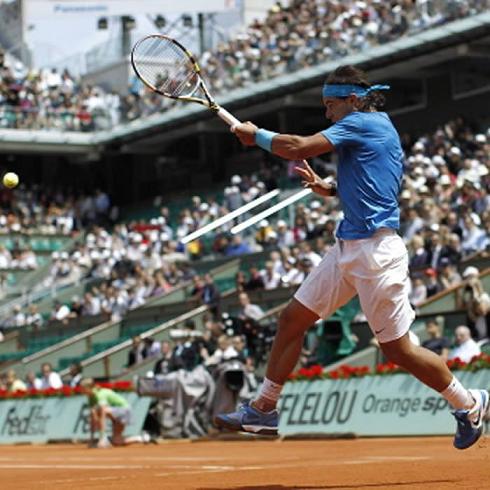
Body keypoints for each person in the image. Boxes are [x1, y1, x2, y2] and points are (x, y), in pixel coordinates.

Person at [215, 65, 488, 450]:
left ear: (353, 100)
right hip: (348, 246)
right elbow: (371, 180)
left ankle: (468, 402)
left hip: (377, 254)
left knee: (398, 350)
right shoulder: (368, 126)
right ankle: (264, 408)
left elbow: (295, 147)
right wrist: (328, 188)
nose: (327, 113)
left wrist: (254, 136)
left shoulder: (365, 123)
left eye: (331, 105)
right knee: (292, 319)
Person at [80, 378, 147, 447]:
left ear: (90, 388)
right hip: (116, 414)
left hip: (125, 411)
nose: (81, 391)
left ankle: (103, 438)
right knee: (116, 441)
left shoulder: (99, 394)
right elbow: (93, 419)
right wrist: (91, 439)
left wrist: (101, 438)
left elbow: (103, 415)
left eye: (83, 389)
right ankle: (141, 438)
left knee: (100, 411)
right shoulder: (90, 397)